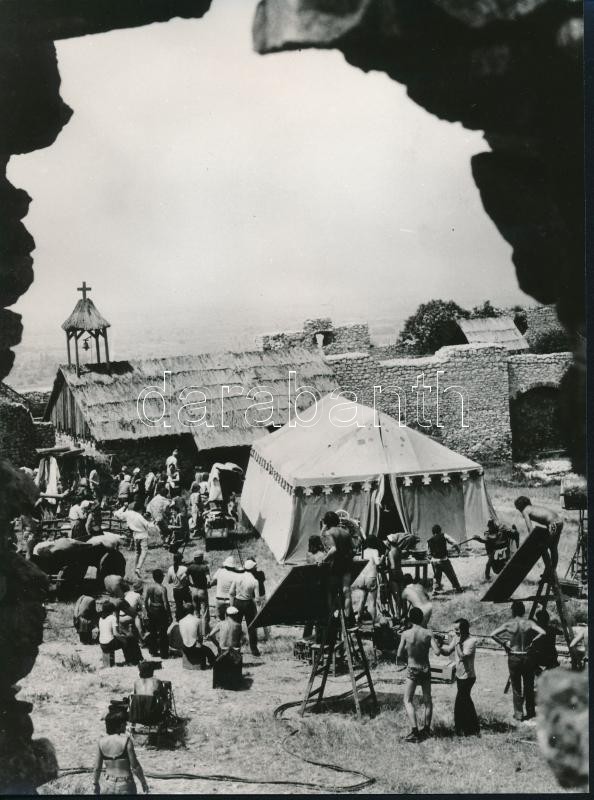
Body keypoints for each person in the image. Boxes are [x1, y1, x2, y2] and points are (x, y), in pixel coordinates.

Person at [491, 600, 545, 722]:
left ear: (513, 611)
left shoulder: (509, 624)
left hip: (514, 657)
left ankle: (519, 714)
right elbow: (543, 632)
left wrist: (504, 644)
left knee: (516, 687)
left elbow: (492, 634)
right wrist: (533, 642)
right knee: (529, 686)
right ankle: (530, 712)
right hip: (527, 657)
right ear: (523, 611)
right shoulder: (529, 623)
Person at [397, 607, 441, 741]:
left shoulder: (405, 634)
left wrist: (407, 657)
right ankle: (426, 730)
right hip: (425, 668)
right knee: (428, 700)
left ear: (410, 619)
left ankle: (415, 732)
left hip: (413, 668)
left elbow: (399, 654)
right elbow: (437, 652)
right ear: (422, 619)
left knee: (407, 700)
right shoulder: (428, 633)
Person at [438, 617, 479, 736]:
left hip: (468, 677)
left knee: (460, 703)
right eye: (454, 629)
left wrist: (457, 643)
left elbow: (462, 657)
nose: (455, 632)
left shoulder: (471, 641)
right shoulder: (457, 639)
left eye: (457, 630)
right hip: (460, 676)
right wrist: (439, 646)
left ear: (464, 629)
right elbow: (447, 651)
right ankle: (471, 728)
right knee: (466, 701)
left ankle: (461, 728)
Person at [93, 710, 149, 795]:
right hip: (125, 784)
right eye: (124, 723)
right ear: (119, 725)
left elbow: (97, 767)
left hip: (108, 784)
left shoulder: (101, 742)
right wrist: (143, 782)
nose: (126, 725)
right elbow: (135, 767)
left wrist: (95, 783)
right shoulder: (126, 741)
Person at [514, 496, 564, 577]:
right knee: (553, 548)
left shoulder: (525, 511)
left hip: (553, 524)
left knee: (542, 547)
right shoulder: (532, 507)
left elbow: (530, 528)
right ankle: (552, 570)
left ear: (520, 506)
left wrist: (533, 541)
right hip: (559, 522)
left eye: (517, 508)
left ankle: (549, 571)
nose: (518, 510)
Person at [319, 511, 354, 621]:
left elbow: (334, 549)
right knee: (346, 591)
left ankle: (332, 618)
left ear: (326, 522)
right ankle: (347, 617)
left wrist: (324, 559)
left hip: (335, 566)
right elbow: (353, 549)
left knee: (332, 592)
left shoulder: (329, 533)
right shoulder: (346, 533)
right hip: (347, 564)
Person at [229, 558, 261, 657]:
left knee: (236, 626)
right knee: (251, 627)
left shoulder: (237, 577)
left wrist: (231, 606)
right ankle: (254, 650)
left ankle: (235, 648)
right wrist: (258, 610)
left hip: (238, 602)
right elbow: (257, 599)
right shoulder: (254, 581)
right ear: (252, 569)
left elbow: (231, 592)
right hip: (248, 603)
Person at [98, 601, 143, 666]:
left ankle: (133, 660)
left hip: (102, 644)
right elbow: (115, 633)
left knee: (124, 640)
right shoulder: (112, 618)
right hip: (109, 643)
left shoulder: (101, 618)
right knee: (128, 640)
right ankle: (131, 661)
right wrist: (124, 639)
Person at [353, 535, 381, 625]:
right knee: (372, 602)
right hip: (371, 577)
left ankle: (358, 618)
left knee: (363, 599)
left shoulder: (363, 551)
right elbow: (377, 563)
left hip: (362, 578)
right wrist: (382, 558)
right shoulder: (375, 551)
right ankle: (374, 621)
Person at [179, 602, 216, 668]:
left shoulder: (180, 621)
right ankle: (213, 663)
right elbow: (200, 636)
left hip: (184, 647)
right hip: (194, 648)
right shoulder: (198, 620)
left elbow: (181, 636)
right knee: (208, 650)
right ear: (193, 610)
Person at [427, 525, 463, 594]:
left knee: (437, 577)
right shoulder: (444, 535)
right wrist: (458, 550)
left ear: (433, 532)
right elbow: (454, 543)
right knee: (451, 575)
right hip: (443, 560)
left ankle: (435, 590)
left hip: (434, 561)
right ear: (440, 530)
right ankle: (458, 588)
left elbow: (428, 553)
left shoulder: (429, 540)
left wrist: (433, 558)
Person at [144, 569, 171, 659]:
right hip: (160, 610)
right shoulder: (162, 588)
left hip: (152, 609)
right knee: (163, 633)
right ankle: (164, 653)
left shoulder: (149, 587)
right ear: (161, 577)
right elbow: (165, 603)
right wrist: (169, 615)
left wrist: (148, 610)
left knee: (153, 632)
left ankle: (153, 651)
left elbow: (145, 601)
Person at [527, 609, 560, 673]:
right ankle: (541, 673)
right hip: (550, 658)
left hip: (538, 657)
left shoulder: (535, 629)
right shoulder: (551, 629)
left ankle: (539, 672)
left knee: (528, 656)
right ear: (547, 618)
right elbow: (560, 632)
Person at [186, 551, 211, 629]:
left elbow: (185, 577)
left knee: (196, 611)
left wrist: (190, 584)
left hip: (194, 590)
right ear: (201, 558)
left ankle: (196, 629)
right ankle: (204, 631)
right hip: (202, 590)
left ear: (194, 558)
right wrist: (208, 585)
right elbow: (208, 579)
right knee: (204, 612)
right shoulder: (204, 567)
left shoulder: (190, 567)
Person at [212, 556, 238, 620]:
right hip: (230, 600)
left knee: (220, 620)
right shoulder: (235, 574)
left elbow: (213, 581)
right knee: (230, 620)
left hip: (219, 599)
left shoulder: (220, 571)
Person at [167, 553, 191, 621]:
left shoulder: (170, 569)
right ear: (181, 560)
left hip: (176, 590)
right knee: (189, 604)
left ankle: (179, 619)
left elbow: (169, 581)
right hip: (184, 589)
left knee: (178, 606)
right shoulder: (185, 568)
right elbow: (188, 581)